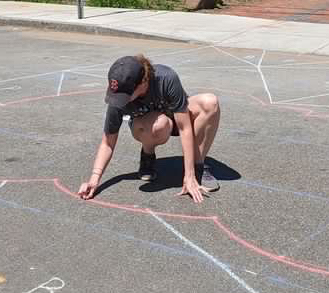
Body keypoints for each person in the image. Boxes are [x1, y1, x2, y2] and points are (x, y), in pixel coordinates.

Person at [77, 54, 221, 203]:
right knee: (159, 124)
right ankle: (148, 155)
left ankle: (198, 166)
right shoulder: (118, 96)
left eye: (125, 95)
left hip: (178, 118)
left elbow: (184, 128)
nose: (120, 99)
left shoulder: (166, 78)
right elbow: (107, 142)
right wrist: (94, 179)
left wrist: (190, 175)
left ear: (143, 82)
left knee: (210, 102)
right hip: (149, 126)